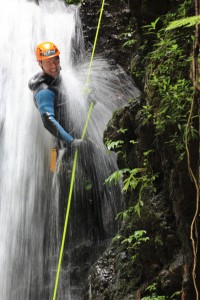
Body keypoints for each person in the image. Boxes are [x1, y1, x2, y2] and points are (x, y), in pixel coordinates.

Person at [28, 41, 83, 148]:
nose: (54, 66)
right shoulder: (44, 91)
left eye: (56, 60)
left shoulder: (56, 79)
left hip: (74, 133)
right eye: (48, 62)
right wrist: (71, 141)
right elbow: (48, 121)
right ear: (40, 64)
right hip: (66, 143)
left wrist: (87, 99)